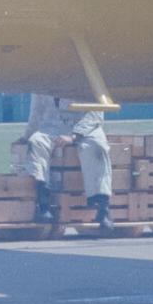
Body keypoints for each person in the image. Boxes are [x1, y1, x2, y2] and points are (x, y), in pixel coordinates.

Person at [23, 92, 114, 232]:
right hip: (53, 125)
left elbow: (96, 113)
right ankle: (44, 204)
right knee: (36, 142)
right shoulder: (41, 79)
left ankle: (103, 209)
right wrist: (27, 136)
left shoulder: (88, 77)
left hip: (86, 128)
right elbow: (37, 111)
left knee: (96, 148)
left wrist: (74, 136)